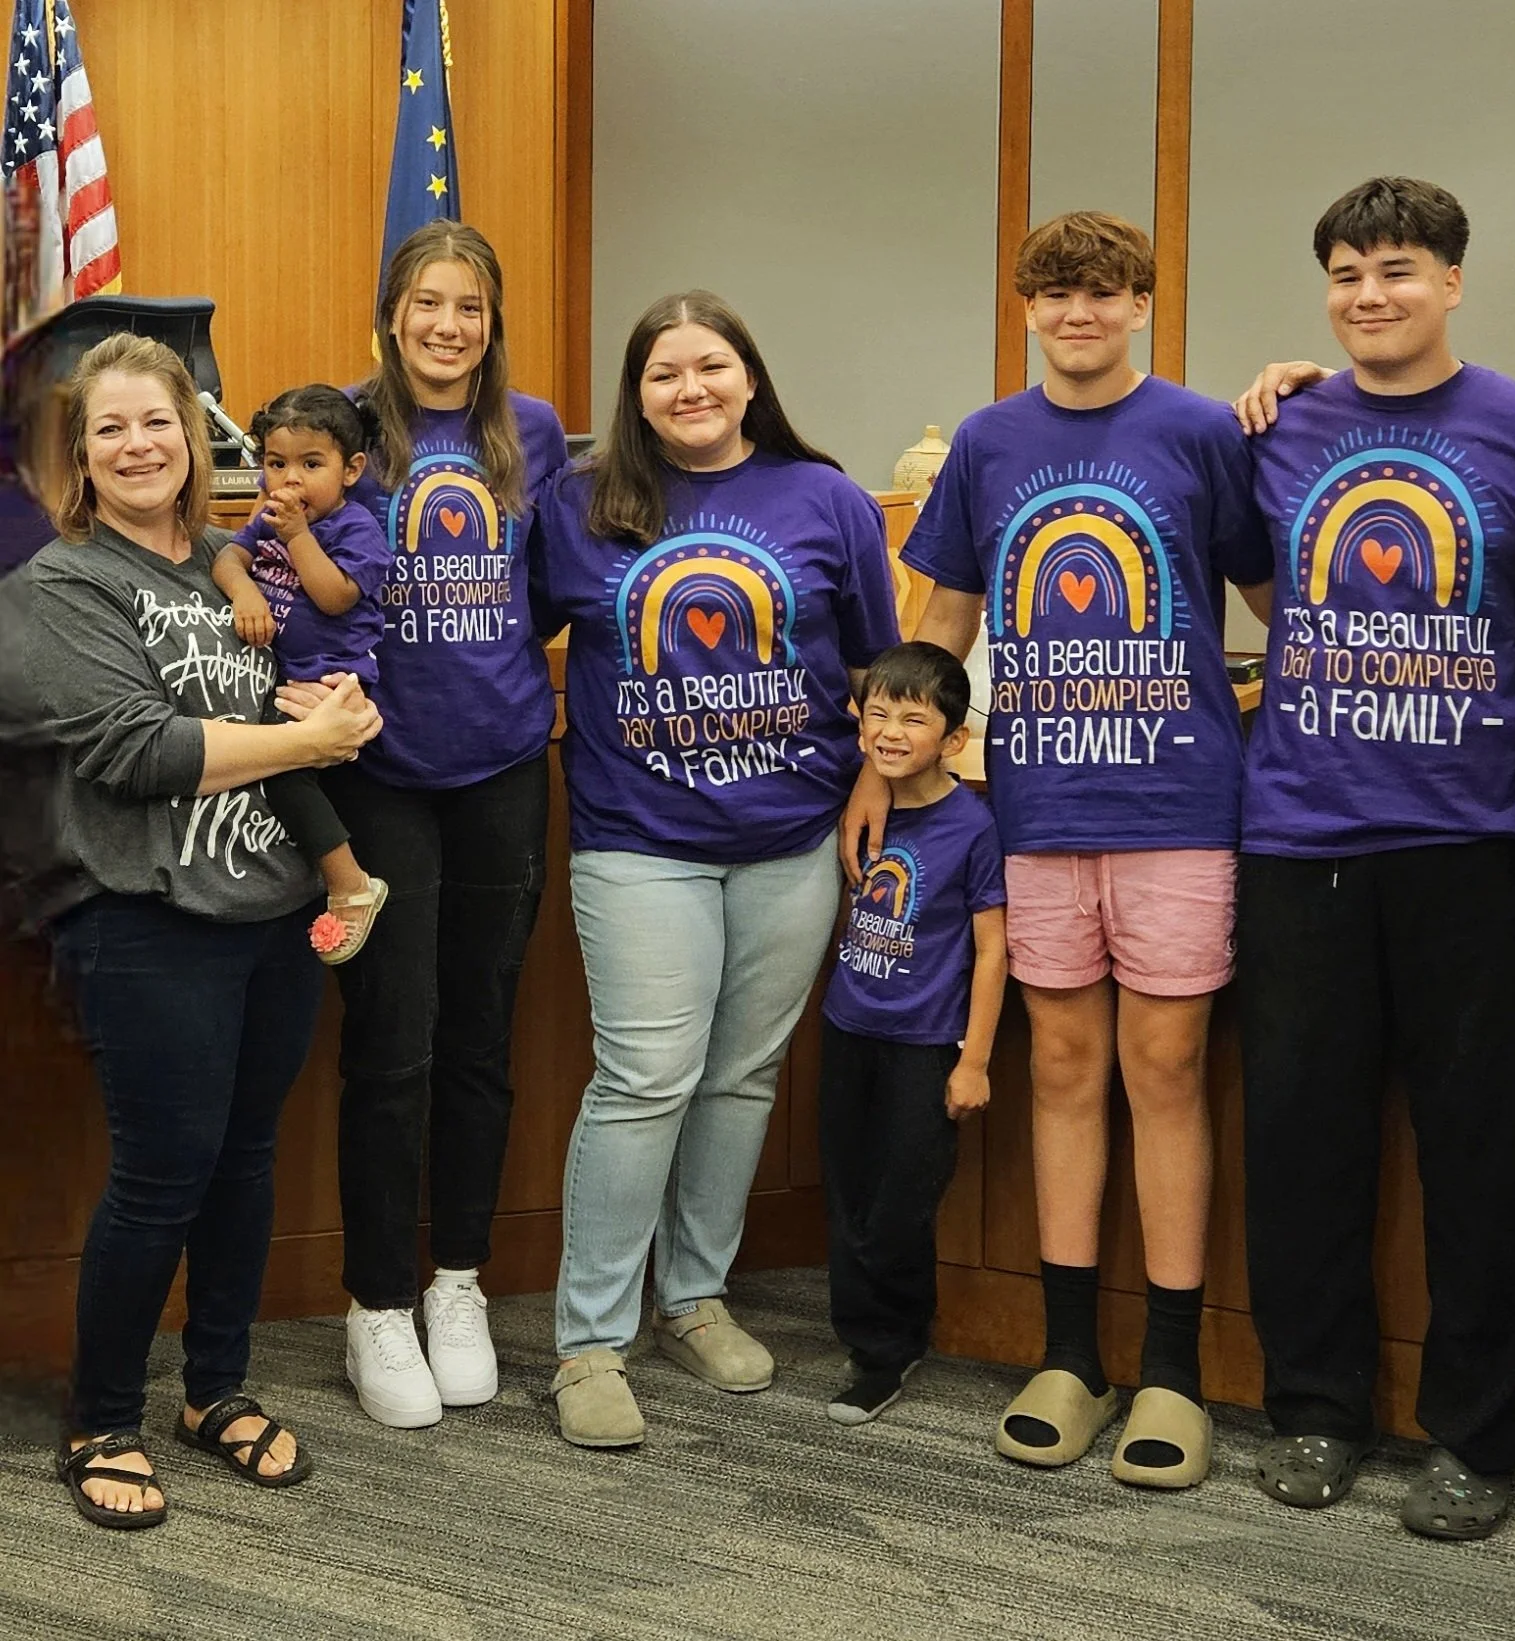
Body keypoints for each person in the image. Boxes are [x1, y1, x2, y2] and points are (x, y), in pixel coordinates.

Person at [857, 211, 1272, 1489]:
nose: (1077, 314)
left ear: (1141, 302)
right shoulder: (987, 443)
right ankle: (1072, 1355)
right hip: (1035, 815)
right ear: (1026, 308)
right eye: (1053, 295)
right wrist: (899, 766)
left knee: (1166, 1070)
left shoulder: (1202, 430)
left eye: (1102, 293)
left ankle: (1173, 1373)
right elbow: (937, 634)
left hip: (1177, 813)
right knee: (1064, 1074)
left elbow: (1278, 601)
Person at [1220, 178, 1515, 1538]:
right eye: (1348, 273)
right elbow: (1268, 589)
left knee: (1482, 1155)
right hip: (1300, 831)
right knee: (1299, 1141)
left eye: (1399, 270)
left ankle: (1475, 1437)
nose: (1370, 295)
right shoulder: (1281, 422)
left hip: (1475, 842)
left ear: (1453, 283)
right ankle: (1312, 1408)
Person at [23, 333, 380, 1527]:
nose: (137, 445)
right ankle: (102, 1418)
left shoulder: (237, 561)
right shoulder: (57, 588)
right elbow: (139, 752)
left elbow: (283, 693)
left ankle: (214, 1391)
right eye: (109, 428)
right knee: (162, 1174)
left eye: (157, 422)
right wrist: (309, 745)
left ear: (194, 437)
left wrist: (331, 708)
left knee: (245, 1161)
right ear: (79, 455)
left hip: (271, 907)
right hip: (141, 914)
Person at [533, 290, 899, 1447]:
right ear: (634, 396)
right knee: (645, 1075)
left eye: (712, 366)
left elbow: (877, 668)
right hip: (639, 841)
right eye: (662, 373)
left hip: (792, 841)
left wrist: (878, 779)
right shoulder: (581, 506)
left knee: (740, 1077)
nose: (689, 389)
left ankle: (692, 1296)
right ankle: (589, 1340)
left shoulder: (827, 497)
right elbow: (506, 639)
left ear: (750, 378)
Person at [315, 221, 571, 1430]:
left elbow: (560, 587)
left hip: (504, 769)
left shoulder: (535, 435)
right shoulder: (347, 434)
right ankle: (375, 1302)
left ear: (492, 318)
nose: (448, 325)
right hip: (379, 775)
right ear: (392, 312)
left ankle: (456, 1284)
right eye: (427, 302)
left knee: (479, 1037)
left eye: (469, 304)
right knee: (393, 1042)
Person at [820, 641, 1007, 1426]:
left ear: (953, 739)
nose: (890, 730)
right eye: (878, 712)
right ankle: (863, 1331)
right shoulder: (860, 806)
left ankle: (889, 1347)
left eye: (913, 717)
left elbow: (994, 947)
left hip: (926, 1043)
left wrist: (975, 1061)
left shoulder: (971, 825)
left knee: (902, 1199)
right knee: (851, 1192)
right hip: (846, 1026)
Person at [212, 385, 393, 964]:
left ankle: (351, 885)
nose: (290, 480)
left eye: (311, 464)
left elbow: (336, 596)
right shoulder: (269, 516)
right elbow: (227, 556)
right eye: (275, 463)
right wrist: (245, 592)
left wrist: (295, 536)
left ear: (351, 469)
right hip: (280, 677)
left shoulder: (356, 529)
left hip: (331, 687)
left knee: (283, 774)